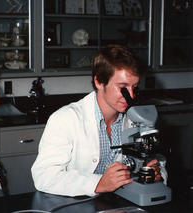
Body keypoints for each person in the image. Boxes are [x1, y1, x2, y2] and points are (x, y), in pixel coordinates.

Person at [31, 44, 162, 197]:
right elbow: (44, 176)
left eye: (134, 87)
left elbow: (156, 159)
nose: (131, 96)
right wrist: (97, 183)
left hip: (118, 202)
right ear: (99, 82)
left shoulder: (136, 118)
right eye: (123, 87)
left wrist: (155, 173)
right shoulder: (65, 119)